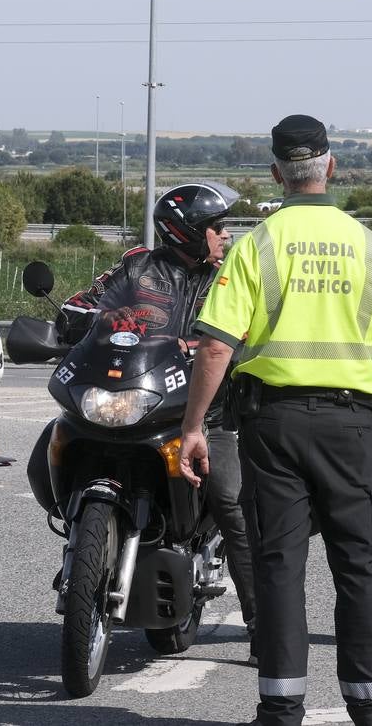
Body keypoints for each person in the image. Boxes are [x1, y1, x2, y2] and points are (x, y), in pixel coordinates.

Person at [178, 114, 372, 726]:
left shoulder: (257, 245)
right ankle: (371, 708)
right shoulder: (368, 245)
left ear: (276, 173)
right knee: (357, 564)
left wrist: (191, 428)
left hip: (275, 426)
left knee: (280, 565)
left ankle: (281, 707)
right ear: (331, 167)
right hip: (351, 424)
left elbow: (216, 346)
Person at [52, 181, 258, 659]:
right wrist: (75, 320)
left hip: (209, 415)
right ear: (186, 232)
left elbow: (253, 328)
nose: (224, 236)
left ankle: (260, 625)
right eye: (215, 228)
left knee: (232, 501)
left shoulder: (230, 276)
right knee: (52, 445)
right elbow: (86, 303)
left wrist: (228, 349)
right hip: (138, 398)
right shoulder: (136, 267)